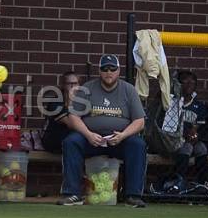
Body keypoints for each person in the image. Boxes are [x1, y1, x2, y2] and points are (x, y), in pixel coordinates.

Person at [59, 54, 148, 207]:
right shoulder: (86, 88)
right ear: (99, 71)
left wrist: (123, 135)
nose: (109, 72)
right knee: (71, 141)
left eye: (112, 69)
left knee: (137, 144)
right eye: (105, 69)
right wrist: (88, 134)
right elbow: (73, 117)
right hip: (91, 139)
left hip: (119, 139)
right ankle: (73, 193)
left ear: (118, 71)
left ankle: (133, 196)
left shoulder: (129, 90)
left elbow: (140, 122)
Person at [172, 70, 208, 179]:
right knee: (187, 147)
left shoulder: (198, 106)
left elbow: (197, 127)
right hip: (175, 139)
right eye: (185, 81)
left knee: (202, 148)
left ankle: (202, 183)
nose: (189, 84)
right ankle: (178, 181)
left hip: (193, 139)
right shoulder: (173, 103)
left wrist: (194, 133)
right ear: (179, 84)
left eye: (193, 82)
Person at [41, 71, 80, 154]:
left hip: (71, 139)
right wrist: (71, 100)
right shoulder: (56, 102)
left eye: (75, 83)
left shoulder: (81, 101)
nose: (73, 86)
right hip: (54, 141)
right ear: (63, 85)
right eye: (69, 83)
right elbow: (72, 124)